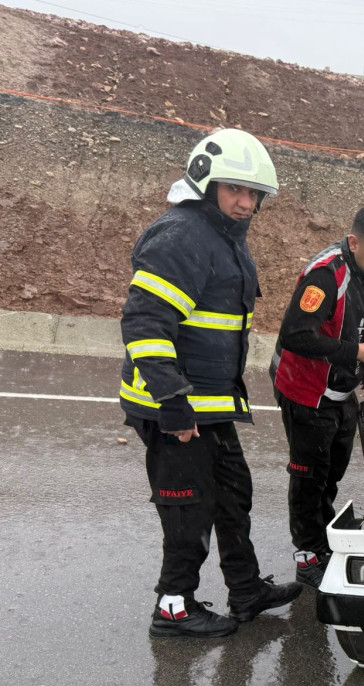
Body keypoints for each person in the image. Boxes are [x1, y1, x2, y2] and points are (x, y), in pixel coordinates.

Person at [120, 128, 303, 638]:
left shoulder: (224, 236)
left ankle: (245, 590)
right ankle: (173, 607)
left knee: (232, 494)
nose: (246, 202)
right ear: (205, 183)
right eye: (234, 189)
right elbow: (145, 323)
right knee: (188, 507)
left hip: (209, 402)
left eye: (253, 193)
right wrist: (173, 403)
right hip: (174, 405)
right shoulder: (182, 236)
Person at [271, 205, 364, 587]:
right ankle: (307, 554)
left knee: (332, 468)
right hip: (305, 388)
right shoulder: (326, 276)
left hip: (341, 385)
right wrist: (358, 353)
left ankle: (322, 534)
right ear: (354, 243)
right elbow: (295, 335)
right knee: (308, 474)